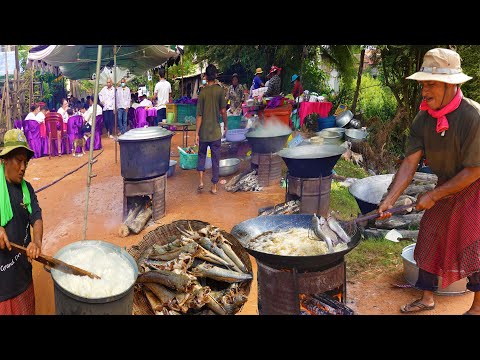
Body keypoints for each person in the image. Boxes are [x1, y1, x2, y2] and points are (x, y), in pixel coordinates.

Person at [377, 48, 480, 314]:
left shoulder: (473, 116)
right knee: (429, 237)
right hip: (447, 183)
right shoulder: (423, 119)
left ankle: (477, 306)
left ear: (451, 84)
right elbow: (410, 163)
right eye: (423, 84)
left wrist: (433, 195)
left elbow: (473, 171)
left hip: (475, 185)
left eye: (431, 84)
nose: (424, 91)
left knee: (473, 245)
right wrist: (389, 200)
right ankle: (426, 298)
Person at [0, 129, 43, 315]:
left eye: (26, 161)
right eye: (18, 160)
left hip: (23, 278)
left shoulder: (27, 189)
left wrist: (37, 242)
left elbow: (37, 218)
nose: (23, 167)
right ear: (5, 159)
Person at [195, 64, 227, 195]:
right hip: (215, 132)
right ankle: (214, 187)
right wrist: (226, 124)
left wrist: (196, 133)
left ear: (206, 76)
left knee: (201, 155)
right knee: (215, 159)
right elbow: (223, 110)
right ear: (216, 75)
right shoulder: (220, 91)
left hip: (203, 132)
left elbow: (199, 115)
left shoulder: (202, 92)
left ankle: (201, 181)